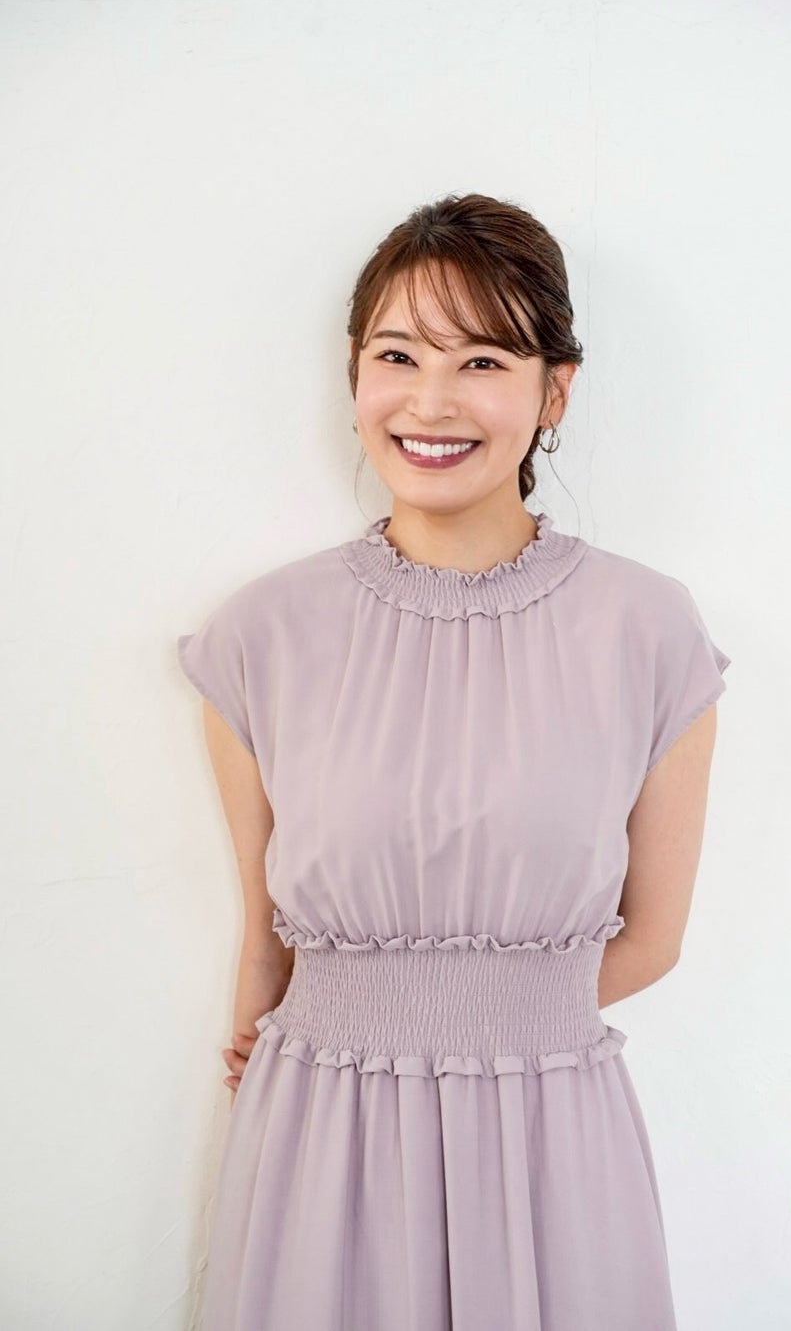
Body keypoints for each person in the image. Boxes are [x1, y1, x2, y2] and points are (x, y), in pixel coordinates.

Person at [176, 191, 731, 1330]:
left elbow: (653, 936)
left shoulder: (647, 630)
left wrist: (477, 1025)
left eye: (481, 360)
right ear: (353, 374)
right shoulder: (260, 636)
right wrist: (301, 1041)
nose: (430, 401)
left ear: (553, 390)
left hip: (549, 1137)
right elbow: (266, 942)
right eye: (397, 355)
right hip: (322, 1130)